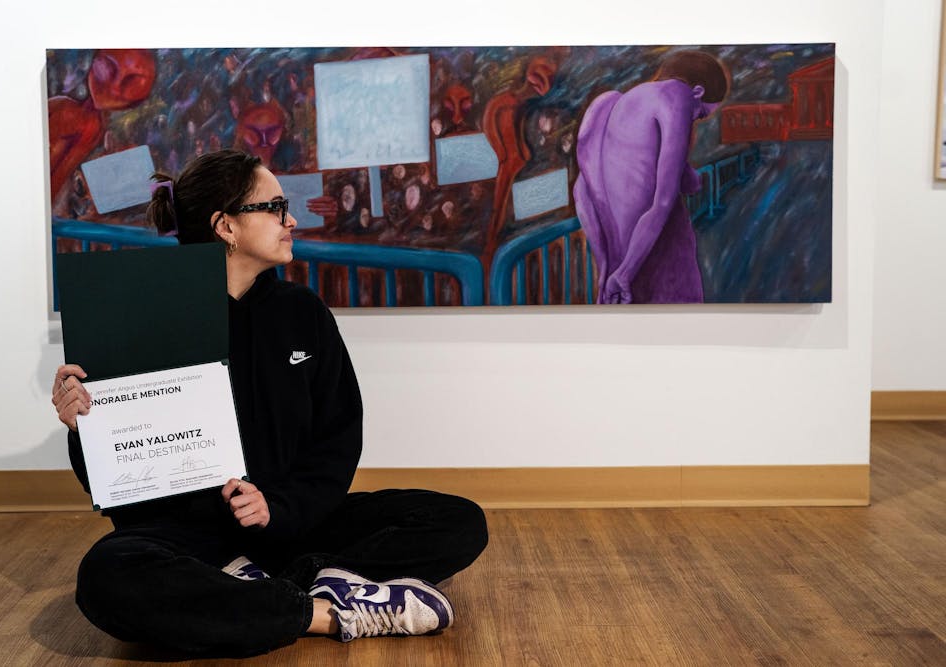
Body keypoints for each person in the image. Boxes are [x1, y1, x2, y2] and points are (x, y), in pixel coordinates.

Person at [50, 149, 488, 657]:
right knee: (106, 577)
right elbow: (122, 487)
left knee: (458, 521)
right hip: (191, 542)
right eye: (275, 207)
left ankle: (257, 591)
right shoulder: (144, 319)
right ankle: (324, 611)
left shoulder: (303, 314)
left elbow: (337, 441)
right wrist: (84, 426)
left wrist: (277, 509)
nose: (291, 219)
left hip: (295, 526)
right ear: (226, 227)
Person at [573, 50, 729, 304]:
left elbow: (582, 193)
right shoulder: (678, 96)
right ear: (697, 92)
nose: (695, 120)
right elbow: (663, 202)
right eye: (701, 114)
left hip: (619, 256)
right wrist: (624, 273)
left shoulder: (608, 104)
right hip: (658, 248)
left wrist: (608, 270)